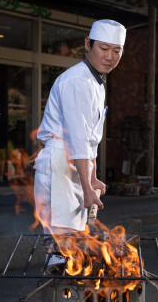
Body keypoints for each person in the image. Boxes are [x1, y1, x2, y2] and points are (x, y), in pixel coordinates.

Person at [33, 19, 126, 238]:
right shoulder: (76, 80)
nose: (109, 57)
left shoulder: (96, 81)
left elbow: (89, 138)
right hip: (60, 164)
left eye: (116, 50)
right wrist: (87, 187)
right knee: (61, 244)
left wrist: (91, 178)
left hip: (72, 166)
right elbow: (78, 138)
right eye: (103, 48)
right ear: (88, 44)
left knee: (72, 242)